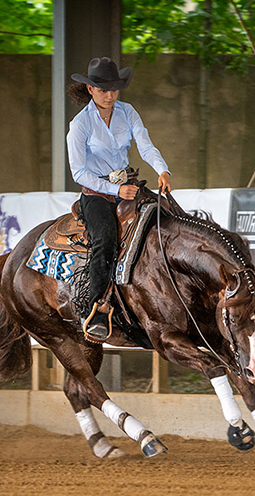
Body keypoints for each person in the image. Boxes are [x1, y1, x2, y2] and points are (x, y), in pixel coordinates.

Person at [67, 57, 172, 342]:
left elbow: (145, 144)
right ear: (90, 90)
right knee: (106, 241)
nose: (110, 95)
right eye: (103, 90)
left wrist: (162, 169)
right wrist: (114, 191)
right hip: (97, 195)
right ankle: (96, 309)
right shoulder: (80, 125)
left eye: (114, 89)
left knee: (164, 218)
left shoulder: (128, 112)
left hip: (128, 185)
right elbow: (78, 172)